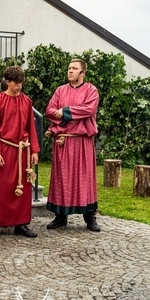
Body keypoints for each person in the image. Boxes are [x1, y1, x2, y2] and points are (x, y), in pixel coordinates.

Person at [0, 66, 40, 239]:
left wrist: (34, 150)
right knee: (0, 188)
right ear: (7, 82)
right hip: (3, 150)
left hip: (22, 151)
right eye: (16, 83)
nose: (19, 86)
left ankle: (21, 224)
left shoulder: (26, 101)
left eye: (21, 83)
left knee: (22, 189)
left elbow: (31, 127)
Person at [45, 59, 101, 232]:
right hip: (63, 141)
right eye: (69, 68)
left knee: (84, 178)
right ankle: (61, 217)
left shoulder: (91, 90)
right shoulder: (60, 90)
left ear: (82, 73)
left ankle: (90, 217)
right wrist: (63, 115)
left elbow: (89, 109)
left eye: (74, 69)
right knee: (62, 178)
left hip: (82, 142)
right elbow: (49, 110)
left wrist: (66, 111)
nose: (70, 71)